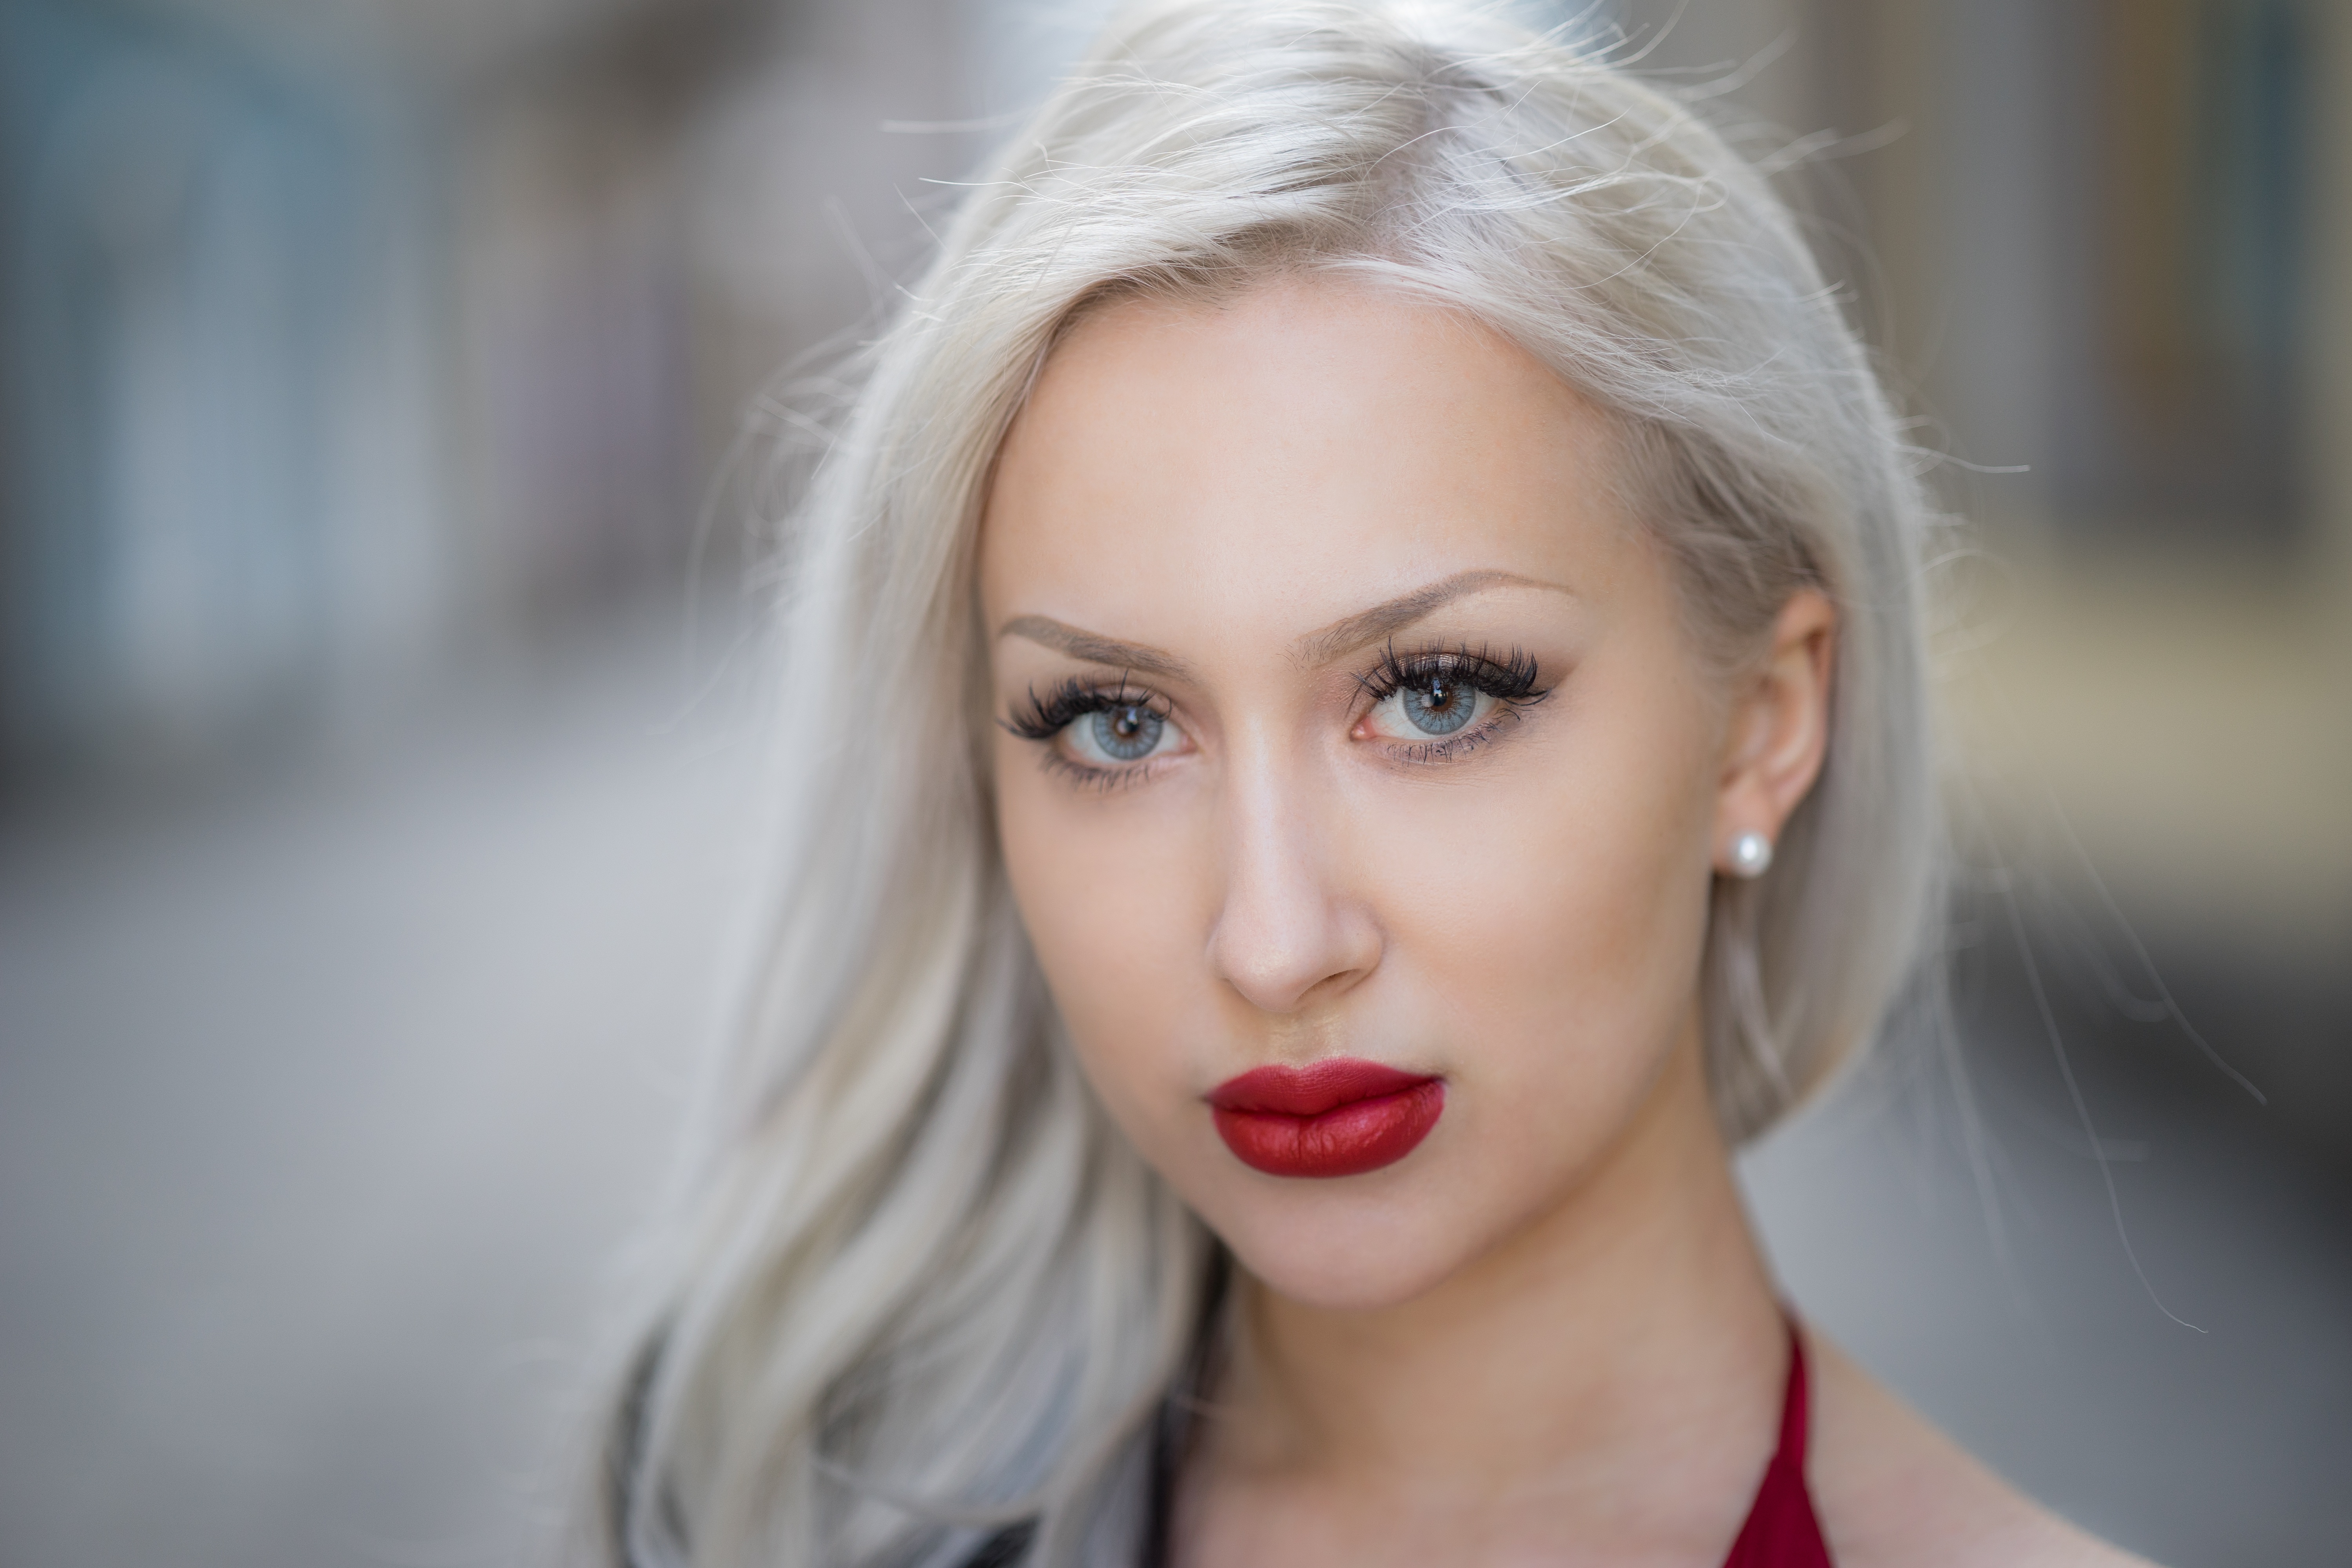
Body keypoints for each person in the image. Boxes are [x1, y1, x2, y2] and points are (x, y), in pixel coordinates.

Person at [586, 4, 2151, 1564]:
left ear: (1763, 722)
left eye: (1435, 695)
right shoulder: (771, 1511)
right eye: (1117, 723)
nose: (1274, 942)